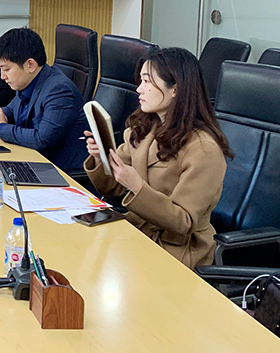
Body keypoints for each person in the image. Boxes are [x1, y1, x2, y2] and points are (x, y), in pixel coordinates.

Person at [84, 48, 231, 268]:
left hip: (177, 250)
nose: (139, 89)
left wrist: (137, 186)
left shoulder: (203, 149)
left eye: (147, 81)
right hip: (137, 234)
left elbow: (183, 222)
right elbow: (111, 187)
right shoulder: (145, 128)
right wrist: (100, 157)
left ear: (175, 89)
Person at [0, 27, 89, 171]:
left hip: (60, 171)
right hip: (34, 161)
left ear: (30, 65)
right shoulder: (28, 81)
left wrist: (0, 127)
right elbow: (11, 110)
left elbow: (41, 139)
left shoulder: (59, 90)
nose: (2, 76)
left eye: (6, 69)